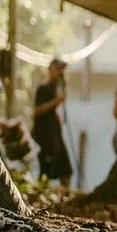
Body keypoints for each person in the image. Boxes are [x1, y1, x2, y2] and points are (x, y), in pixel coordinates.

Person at [33, 57, 74, 187]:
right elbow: (37, 111)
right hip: (44, 135)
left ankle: (64, 195)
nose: (60, 72)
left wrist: (56, 113)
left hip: (56, 134)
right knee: (46, 171)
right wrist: (56, 102)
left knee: (66, 170)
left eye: (62, 69)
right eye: (58, 69)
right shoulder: (43, 88)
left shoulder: (58, 88)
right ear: (51, 70)